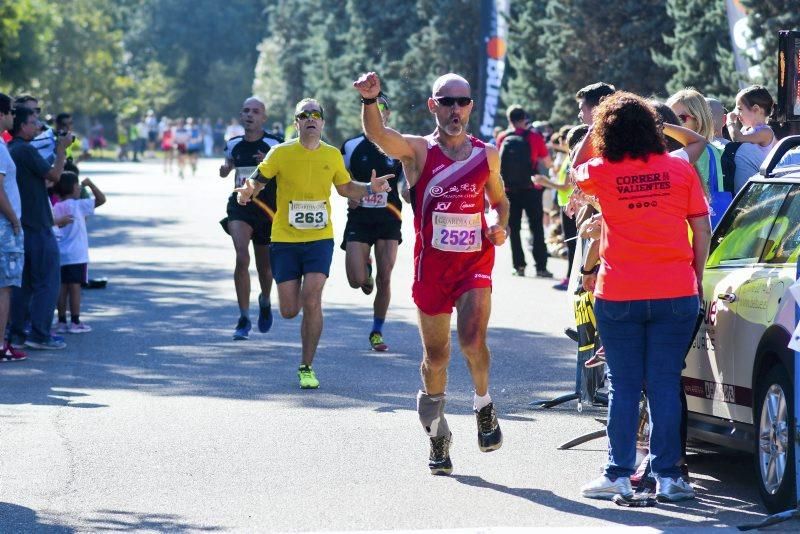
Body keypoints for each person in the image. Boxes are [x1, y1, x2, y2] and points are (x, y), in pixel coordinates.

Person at [353, 71, 510, 475]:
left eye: (462, 101)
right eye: (447, 102)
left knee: (473, 341)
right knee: (436, 357)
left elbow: (499, 200)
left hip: (474, 264)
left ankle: (483, 404)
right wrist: (370, 102)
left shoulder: (486, 154)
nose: (455, 109)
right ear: (433, 105)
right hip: (433, 271)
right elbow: (379, 136)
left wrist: (499, 222)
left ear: (471, 105)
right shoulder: (418, 151)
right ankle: (438, 432)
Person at [572, 92, 711, 503]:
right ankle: (669, 477)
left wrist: (599, 130)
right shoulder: (679, 169)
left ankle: (617, 473)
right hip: (676, 290)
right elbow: (701, 229)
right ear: (655, 130)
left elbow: (576, 165)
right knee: (665, 384)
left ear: (605, 133)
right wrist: (696, 277)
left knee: (625, 386)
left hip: (619, 294)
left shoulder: (601, 170)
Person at [236, 98, 391, 389]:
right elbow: (256, 182)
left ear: (322, 122)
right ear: (296, 122)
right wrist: (246, 193)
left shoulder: (332, 156)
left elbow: (345, 188)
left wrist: (369, 187)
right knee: (289, 310)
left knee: (312, 298)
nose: (310, 118)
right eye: (304, 115)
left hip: (320, 239)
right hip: (285, 239)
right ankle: (268, 301)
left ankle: (306, 366)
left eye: (315, 114)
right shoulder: (280, 153)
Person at [340, 92, 405, 351]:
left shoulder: (398, 145)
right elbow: (341, 180)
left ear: (388, 115)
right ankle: (365, 272)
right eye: (371, 109)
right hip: (361, 216)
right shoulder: (351, 146)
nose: (377, 113)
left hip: (389, 216)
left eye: (382, 109)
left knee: (385, 277)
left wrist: (411, 191)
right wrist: (352, 194)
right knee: (356, 280)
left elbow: (409, 178)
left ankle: (377, 331)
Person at [219, 97, 283, 340]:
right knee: (241, 256)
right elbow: (229, 165)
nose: (250, 115)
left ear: (263, 118)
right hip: (241, 207)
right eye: (246, 110)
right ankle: (244, 317)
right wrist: (225, 170)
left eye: (255, 111)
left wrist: (267, 165)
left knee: (265, 268)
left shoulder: (275, 144)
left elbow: (286, 172)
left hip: (267, 209)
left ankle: (265, 300)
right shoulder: (233, 143)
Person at [8, 106, 70, 350]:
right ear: (22, 125)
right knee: (48, 281)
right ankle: (40, 333)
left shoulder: (12, 150)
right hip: (38, 226)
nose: (38, 126)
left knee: (24, 284)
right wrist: (62, 150)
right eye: (33, 122)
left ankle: (18, 332)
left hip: (23, 226)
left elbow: (40, 178)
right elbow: (55, 176)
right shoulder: (25, 150)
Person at [496, 105, 552, 278]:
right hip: (531, 188)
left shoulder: (502, 137)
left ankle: (518, 266)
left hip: (510, 189)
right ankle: (541, 267)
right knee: (536, 228)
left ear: (509, 119)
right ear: (524, 118)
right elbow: (548, 162)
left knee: (514, 228)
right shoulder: (535, 137)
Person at [52, 172, 106, 334]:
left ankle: (61, 321)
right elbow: (101, 200)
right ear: (74, 188)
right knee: (75, 287)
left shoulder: (55, 207)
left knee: (62, 287)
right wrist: (90, 184)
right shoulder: (79, 205)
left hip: (60, 254)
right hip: (77, 255)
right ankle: (75, 321)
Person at [667, 89, 730, 226]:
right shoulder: (711, 149)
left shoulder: (698, 153)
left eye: (680, 118)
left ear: (699, 120)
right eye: (670, 118)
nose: (674, 125)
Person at [0, 93, 26, 361]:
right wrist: (14, 219)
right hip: (4, 226)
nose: (12, 118)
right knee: (4, 288)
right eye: (9, 112)